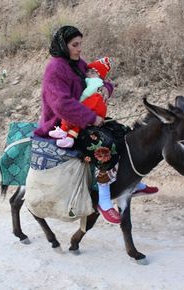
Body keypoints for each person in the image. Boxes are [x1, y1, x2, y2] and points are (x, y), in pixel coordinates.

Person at [34, 25, 158, 224]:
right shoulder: (55, 69)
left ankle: (133, 183)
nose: (79, 49)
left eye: (80, 44)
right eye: (75, 45)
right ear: (63, 46)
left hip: (83, 118)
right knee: (103, 145)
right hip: (63, 125)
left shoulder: (77, 63)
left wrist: (106, 89)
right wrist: (92, 119)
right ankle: (104, 200)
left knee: (123, 133)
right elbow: (61, 104)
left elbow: (98, 79)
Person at [48, 56, 113, 148]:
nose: (88, 73)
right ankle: (69, 138)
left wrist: (108, 87)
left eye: (92, 72)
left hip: (90, 107)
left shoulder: (82, 68)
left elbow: (100, 84)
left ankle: (63, 130)